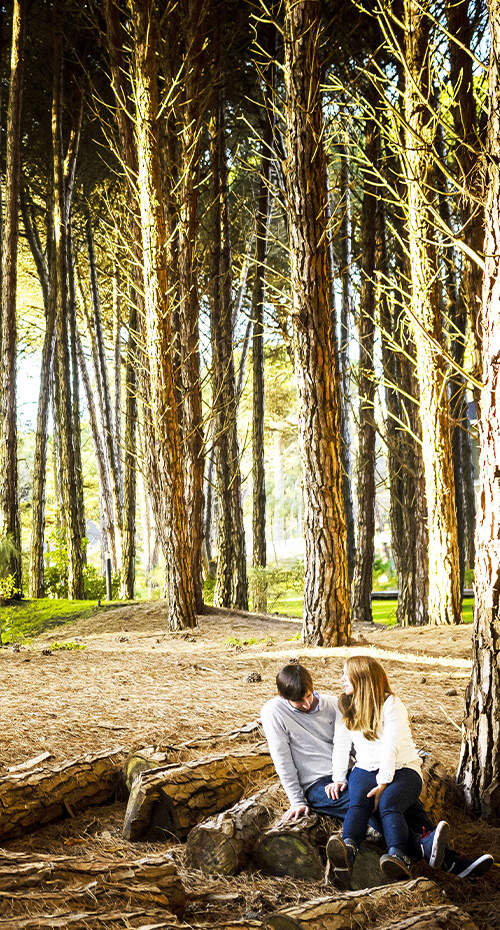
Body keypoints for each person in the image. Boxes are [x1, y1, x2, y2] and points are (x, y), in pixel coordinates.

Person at [261, 662, 494, 882]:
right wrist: (297, 800)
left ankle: (449, 859)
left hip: (350, 771)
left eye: (309, 695)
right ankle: (422, 849)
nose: (306, 703)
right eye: (298, 701)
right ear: (283, 697)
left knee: (403, 801)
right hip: (317, 784)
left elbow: (357, 742)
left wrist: (378, 773)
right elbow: (282, 759)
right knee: (369, 801)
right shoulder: (274, 712)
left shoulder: (334, 703)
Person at [327, 655, 446, 880]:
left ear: (361, 678)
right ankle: (347, 849)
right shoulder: (346, 704)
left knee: (388, 803)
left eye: (346, 674)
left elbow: (390, 746)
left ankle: (398, 856)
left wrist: (383, 783)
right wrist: (339, 778)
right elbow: (341, 745)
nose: (341, 679)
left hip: (403, 768)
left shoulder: (391, 704)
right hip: (365, 768)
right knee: (359, 802)